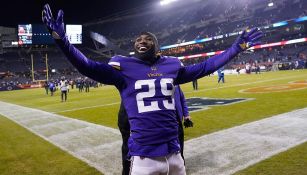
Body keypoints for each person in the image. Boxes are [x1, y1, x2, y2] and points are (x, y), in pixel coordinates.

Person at [42, 4, 262, 174]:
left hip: (175, 155)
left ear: (157, 47)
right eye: (138, 39)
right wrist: (61, 40)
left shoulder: (171, 65)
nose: (142, 41)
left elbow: (205, 67)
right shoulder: (123, 67)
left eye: (148, 39)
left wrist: (236, 48)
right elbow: (87, 66)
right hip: (144, 159)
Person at [118, 85, 192, 175]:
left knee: (178, 150)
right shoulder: (135, 84)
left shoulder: (173, 79)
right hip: (150, 131)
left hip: (175, 122)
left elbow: (181, 97)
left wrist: (186, 114)